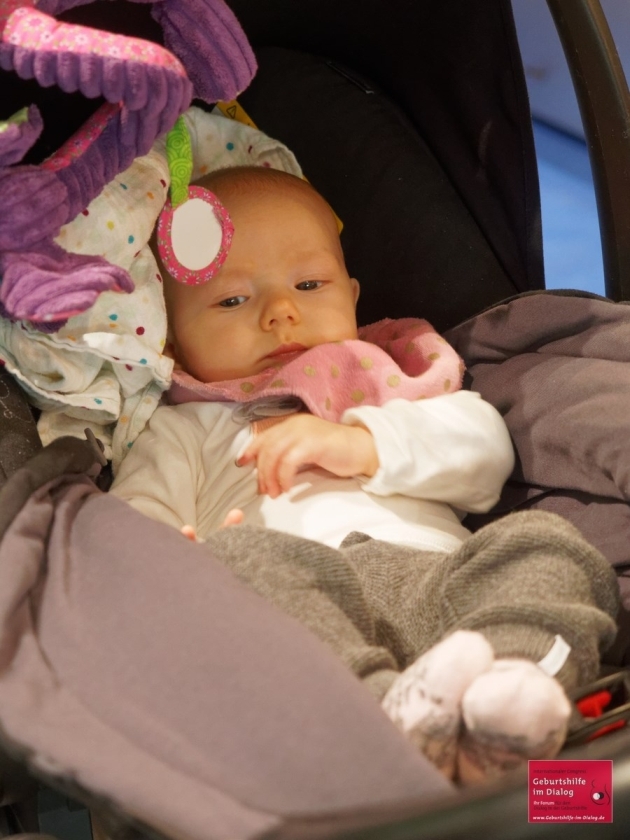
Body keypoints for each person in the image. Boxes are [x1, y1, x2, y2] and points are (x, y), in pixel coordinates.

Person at [111, 165, 619, 785]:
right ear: (170, 338)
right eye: (232, 300)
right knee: (241, 560)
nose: (280, 312)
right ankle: (388, 724)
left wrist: (365, 444)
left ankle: (509, 703)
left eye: (309, 284)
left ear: (352, 297)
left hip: (435, 582)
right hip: (295, 603)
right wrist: (174, 563)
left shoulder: (392, 385)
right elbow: (126, 529)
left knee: (543, 544)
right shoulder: (183, 429)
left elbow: (486, 454)